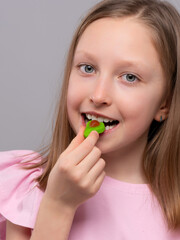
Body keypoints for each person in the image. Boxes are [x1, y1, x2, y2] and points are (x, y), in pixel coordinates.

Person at [1, 0, 180, 239]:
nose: (98, 95)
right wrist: (58, 205)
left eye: (129, 76)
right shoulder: (28, 188)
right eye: (87, 68)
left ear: (164, 104)